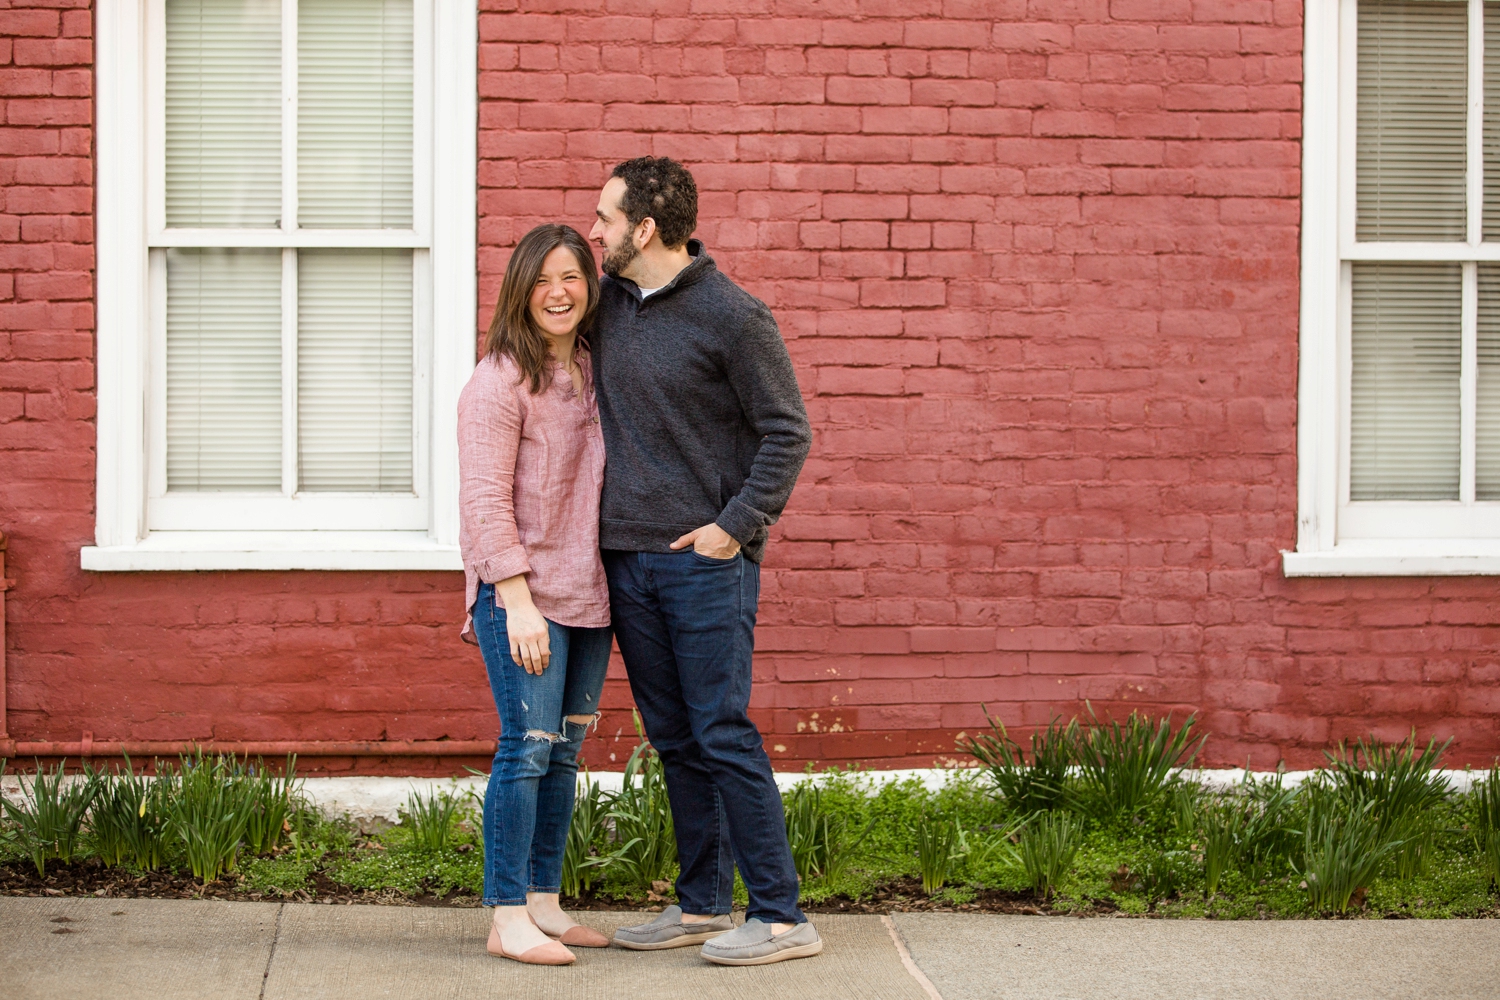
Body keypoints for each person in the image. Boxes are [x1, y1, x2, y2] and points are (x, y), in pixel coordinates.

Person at [587, 157, 820, 966]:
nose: (595, 231)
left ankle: (784, 916)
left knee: (722, 732)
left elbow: (787, 431)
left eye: (605, 218)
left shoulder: (734, 316)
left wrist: (736, 525)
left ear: (644, 229)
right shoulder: (607, 305)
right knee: (675, 738)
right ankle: (701, 904)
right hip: (627, 560)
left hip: (704, 564)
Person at [458, 223, 612, 966]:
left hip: (589, 594)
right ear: (520, 287)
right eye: (544, 277)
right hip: (525, 596)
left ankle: (545, 902)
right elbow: (485, 502)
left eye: (574, 276)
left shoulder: (592, 368)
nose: (559, 291)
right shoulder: (497, 381)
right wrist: (516, 600)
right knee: (525, 749)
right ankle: (506, 913)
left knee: (565, 753)